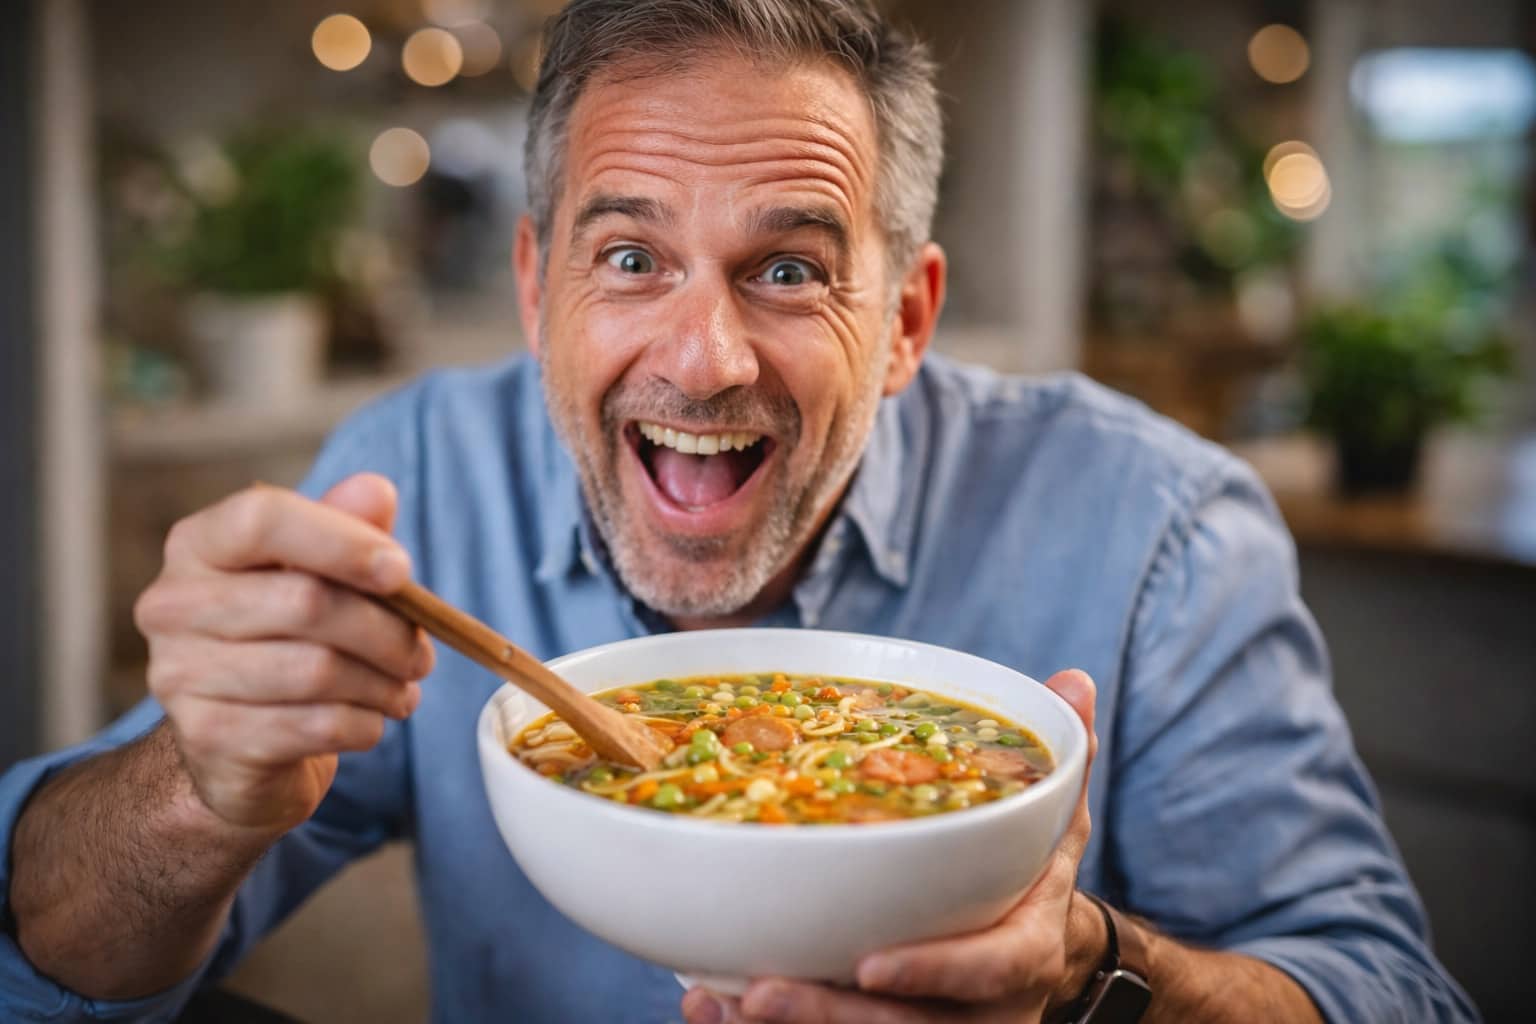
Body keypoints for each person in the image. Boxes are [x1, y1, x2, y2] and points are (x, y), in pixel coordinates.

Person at [0, 1, 1478, 1021]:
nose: (700, 358)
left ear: (905, 318)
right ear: (534, 290)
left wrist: (1087, 978)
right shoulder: (418, 487)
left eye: (785, 268)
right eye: (630, 259)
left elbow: (1387, 991)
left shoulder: (1161, 531)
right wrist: (192, 792)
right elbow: (43, 968)